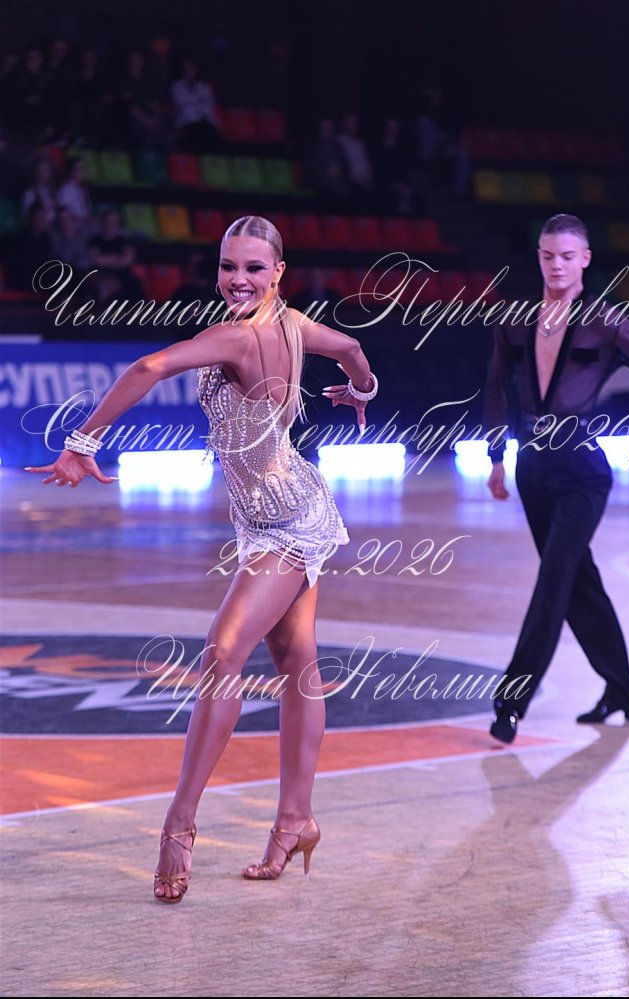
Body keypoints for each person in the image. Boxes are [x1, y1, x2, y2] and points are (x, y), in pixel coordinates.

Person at [25, 214, 378, 899]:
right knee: (296, 663)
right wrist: (360, 389)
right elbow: (353, 347)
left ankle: (179, 824)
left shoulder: (238, 337)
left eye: (253, 267)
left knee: (222, 653)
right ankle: (296, 820)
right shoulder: (296, 326)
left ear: (279, 271)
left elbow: (147, 367)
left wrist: (81, 444)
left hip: (289, 523)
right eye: (227, 266)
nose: (237, 279)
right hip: (272, 511)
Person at [483, 213, 629, 744]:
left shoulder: (607, 322)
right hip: (531, 469)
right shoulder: (515, 319)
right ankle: (622, 690)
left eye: (567, 256)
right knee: (577, 582)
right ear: (538, 257)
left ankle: (510, 702)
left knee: (554, 578)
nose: (556, 265)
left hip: (583, 472)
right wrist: (496, 457)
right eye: (548, 255)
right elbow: (495, 388)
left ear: (585, 259)